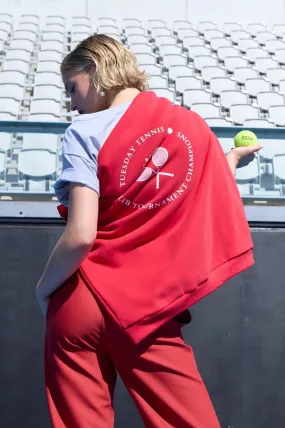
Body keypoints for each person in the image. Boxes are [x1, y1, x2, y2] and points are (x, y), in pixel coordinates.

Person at [36, 35, 262, 428]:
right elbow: (190, 195)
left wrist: (43, 291)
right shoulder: (191, 126)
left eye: (72, 87)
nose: (71, 102)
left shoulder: (84, 130)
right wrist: (227, 162)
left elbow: (81, 235)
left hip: (82, 299)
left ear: (95, 69)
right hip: (150, 309)